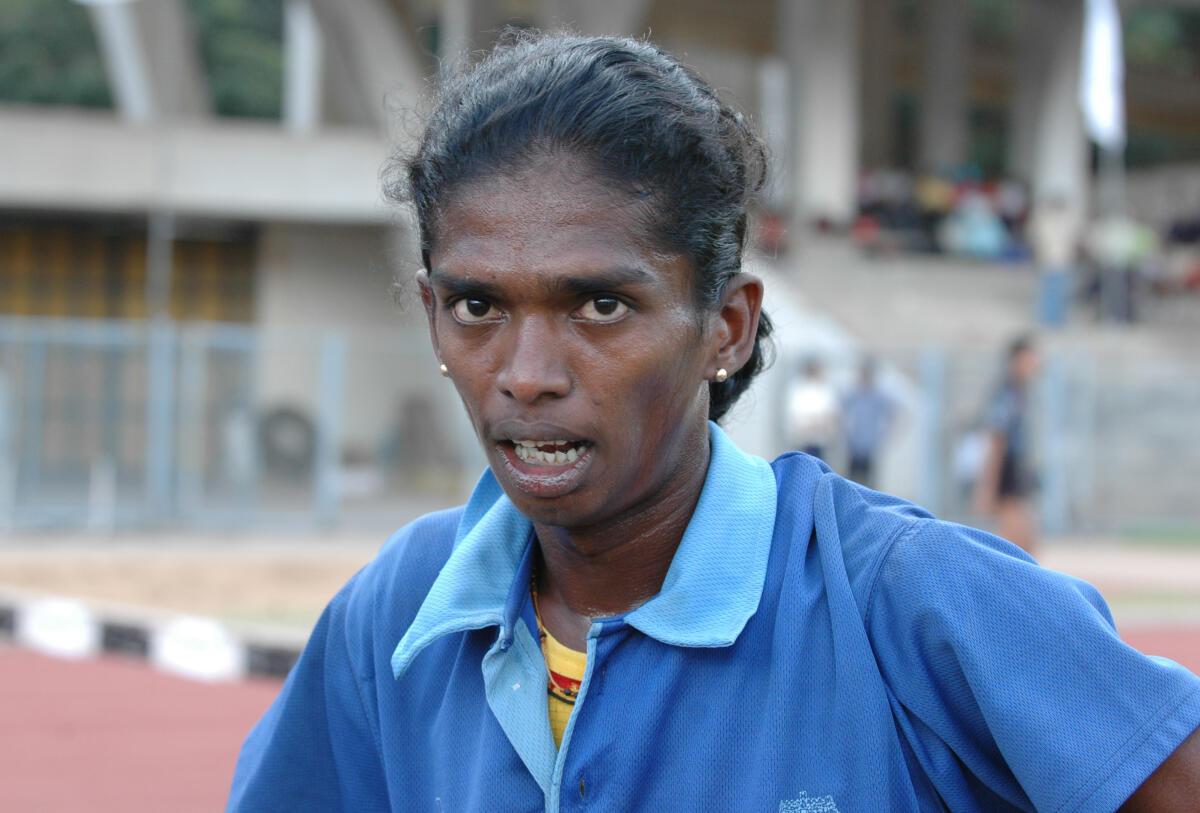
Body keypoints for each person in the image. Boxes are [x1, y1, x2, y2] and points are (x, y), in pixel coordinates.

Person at [228, 33, 1200, 812]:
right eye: (480, 307)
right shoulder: (394, 616)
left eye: (600, 306)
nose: (526, 377)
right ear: (433, 310)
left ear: (724, 326)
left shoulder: (911, 605)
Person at [974, 335, 1039, 556]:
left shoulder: (1020, 392)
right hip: (1006, 469)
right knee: (1015, 541)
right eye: (1030, 358)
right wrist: (988, 485)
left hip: (1016, 469)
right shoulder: (1006, 394)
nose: (1034, 364)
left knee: (1025, 540)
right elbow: (997, 438)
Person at [840, 357, 896, 489]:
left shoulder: (878, 395)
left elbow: (893, 412)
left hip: (870, 445)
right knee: (851, 482)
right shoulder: (854, 393)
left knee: (870, 484)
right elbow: (841, 409)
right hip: (854, 444)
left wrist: (886, 434)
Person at [784, 358, 838, 460]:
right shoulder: (799, 387)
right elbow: (795, 413)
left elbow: (830, 412)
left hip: (820, 439)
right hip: (803, 439)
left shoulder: (825, 388)